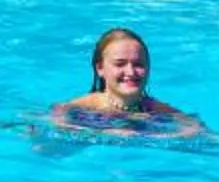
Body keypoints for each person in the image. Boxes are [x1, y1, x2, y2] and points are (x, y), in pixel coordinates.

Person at [49, 27, 207, 136]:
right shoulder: (82, 107)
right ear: (100, 69)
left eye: (138, 65)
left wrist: (152, 137)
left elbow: (199, 132)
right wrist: (102, 133)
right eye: (120, 64)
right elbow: (52, 129)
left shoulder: (156, 110)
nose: (131, 72)